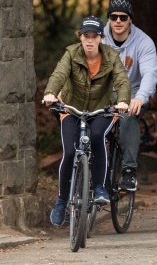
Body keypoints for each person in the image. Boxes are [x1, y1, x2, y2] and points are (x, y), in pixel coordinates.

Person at [43, 16, 131, 226]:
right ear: (80, 37)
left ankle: (99, 187)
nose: (90, 40)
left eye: (94, 36)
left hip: (101, 109)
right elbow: (59, 75)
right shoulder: (71, 54)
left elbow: (122, 81)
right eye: (86, 36)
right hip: (72, 109)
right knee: (71, 152)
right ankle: (62, 201)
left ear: (101, 38)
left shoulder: (111, 56)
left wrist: (124, 101)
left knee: (98, 136)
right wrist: (50, 93)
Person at [103, 0, 157, 191]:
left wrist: (140, 98)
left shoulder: (144, 42)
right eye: (114, 17)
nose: (118, 21)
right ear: (109, 18)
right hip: (106, 91)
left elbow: (150, 74)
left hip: (134, 91)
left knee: (127, 117)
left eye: (123, 17)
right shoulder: (98, 39)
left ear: (130, 19)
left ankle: (128, 172)